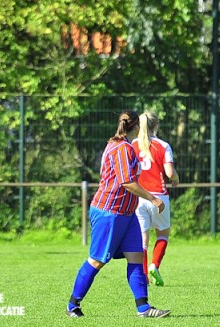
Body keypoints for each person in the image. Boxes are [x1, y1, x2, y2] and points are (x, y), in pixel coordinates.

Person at [65, 110, 170, 318]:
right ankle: (72, 306)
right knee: (97, 260)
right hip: (109, 212)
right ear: (136, 127)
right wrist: (153, 198)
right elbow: (127, 182)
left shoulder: (122, 145)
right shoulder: (122, 148)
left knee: (137, 256)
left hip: (127, 213)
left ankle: (144, 308)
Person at [132, 111, 179, 287]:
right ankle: (154, 265)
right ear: (156, 125)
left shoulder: (133, 144)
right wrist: (176, 179)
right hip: (158, 196)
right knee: (163, 233)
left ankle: (143, 275)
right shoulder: (163, 146)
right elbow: (169, 173)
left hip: (139, 196)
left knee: (143, 238)